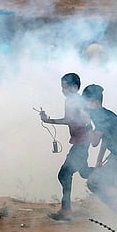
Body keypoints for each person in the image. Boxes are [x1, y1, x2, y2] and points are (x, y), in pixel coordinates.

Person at [82, 84, 117, 225]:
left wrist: (87, 124)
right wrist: (98, 161)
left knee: (94, 183)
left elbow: (95, 141)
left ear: (95, 102)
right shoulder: (104, 114)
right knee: (106, 191)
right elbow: (106, 140)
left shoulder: (100, 116)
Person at [40, 73, 92, 221]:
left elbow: (71, 120)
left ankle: (66, 211)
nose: (63, 90)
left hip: (81, 143)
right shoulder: (75, 101)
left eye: (65, 87)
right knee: (83, 172)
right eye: (62, 87)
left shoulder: (74, 101)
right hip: (81, 142)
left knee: (64, 174)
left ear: (74, 87)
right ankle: (105, 175)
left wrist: (49, 121)